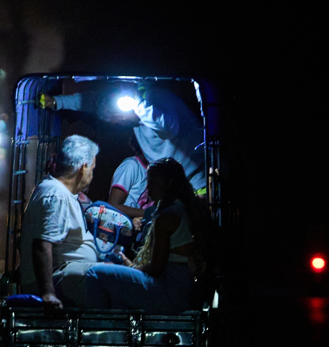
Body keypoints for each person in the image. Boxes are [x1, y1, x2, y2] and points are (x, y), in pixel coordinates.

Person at [41, 82, 205, 220]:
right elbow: (92, 101)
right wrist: (57, 101)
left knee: (199, 222)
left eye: (119, 118)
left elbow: (168, 128)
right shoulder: (133, 120)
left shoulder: (154, 99)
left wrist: (137, 105)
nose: (121, 122)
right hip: (171, 186)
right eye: (116, 121)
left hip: (196, 177)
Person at [84, 158, 213, 314]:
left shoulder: (167, 217)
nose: (148, 187)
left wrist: (133, 268)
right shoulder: (185, 208)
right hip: (184, 291)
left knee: (94, 273)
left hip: (170, 292)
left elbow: (156, 268)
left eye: (153, 182)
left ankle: (96, 326)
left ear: (168, 183)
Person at [19, 135, 100, 312]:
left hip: (70, 277)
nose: (92, 175)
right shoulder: (56, 194)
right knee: (122, 280)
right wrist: (48, 293)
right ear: (83, 168)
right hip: (61, 282)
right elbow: (42, 245)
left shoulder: (62, 192)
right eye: (92, 168)